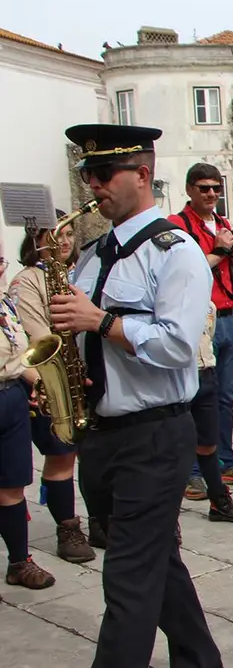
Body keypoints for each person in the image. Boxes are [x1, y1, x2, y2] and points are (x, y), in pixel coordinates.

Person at [53, 122, 221, 667]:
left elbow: (176, 347)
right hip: (101, 436)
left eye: (103, 175)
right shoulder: (93, 254)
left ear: (142, 174)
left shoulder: (177, 253)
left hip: (153, 435)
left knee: (127, 581)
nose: (93, 187)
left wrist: (100, 322)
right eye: (87, 176)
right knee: (155, 566)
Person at [170, 162, 233, 498]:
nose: (211, 194)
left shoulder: (222, 224)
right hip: (199, 323)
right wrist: (220, 249)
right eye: (204, 188)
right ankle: (192, 470)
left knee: (225, 396)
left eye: (216, 188)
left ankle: (225, 460)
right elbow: (185, 272)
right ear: (189, 190)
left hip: (227, 317)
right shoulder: (177, 227)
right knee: (195, 398)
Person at [9, 212, 97, 561]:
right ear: (36, 240)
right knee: (60, 455)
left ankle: (100, 518)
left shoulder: (79, 273)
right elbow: (36, 334)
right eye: (53, 235)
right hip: (51, 379)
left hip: (85, 375)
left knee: (90, 456)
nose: (63, 241)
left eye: (69, 234)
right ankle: (67, 526)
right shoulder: (27, 279)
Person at [0, 242, 58, 594]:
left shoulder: (6, 305)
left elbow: (19, 355)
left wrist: (40, 384)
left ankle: (19, 561)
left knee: (13, 484)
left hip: (11, 396)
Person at [187, 303, 233, 523]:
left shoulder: (208, 306)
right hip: (180, 376)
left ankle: (219, 502)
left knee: (208, 443)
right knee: (174, 444)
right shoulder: (167, 299)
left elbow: (210, 335)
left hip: (206, 372)